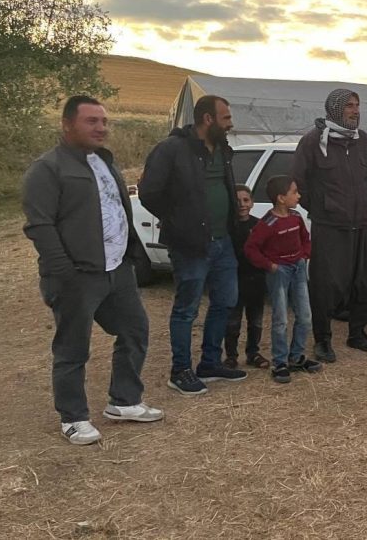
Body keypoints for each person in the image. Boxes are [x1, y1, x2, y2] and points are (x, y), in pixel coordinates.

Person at [23, 95, 164, 445]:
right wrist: (65, 273)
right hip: (77, 276)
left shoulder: (104, 162)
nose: (101, 128)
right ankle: (73, 418)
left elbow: (117, 209)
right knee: (73, 348)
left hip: (117, 270)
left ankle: (124, 401)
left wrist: (130, 254)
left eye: (104, 121)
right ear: (67, 124)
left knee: (135, 330)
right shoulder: (47, 169)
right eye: (91, 121)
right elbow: (40, 226)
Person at [139, 94, 246, 395]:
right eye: (226, 118)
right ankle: (180, 371)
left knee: (225, 301)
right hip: (189, 245)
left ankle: (210, 363)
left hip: (223, 241)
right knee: (186, 309)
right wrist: (178, 220)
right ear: (208, 119)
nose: (231, 124)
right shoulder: (172, 149)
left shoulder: (223, 149)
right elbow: (149, 192)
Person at [292, 88, 367, 362]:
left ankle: (357, 333)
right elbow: (299, 181)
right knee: (326, 285)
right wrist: (323, 208)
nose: (355, 111)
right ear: (335, 109)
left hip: (361, 222)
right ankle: (323, 340)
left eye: (357, 105)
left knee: (362, 282)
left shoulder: (362, 140)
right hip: (329, 225)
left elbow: (362, 177)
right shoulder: (313, 141)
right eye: (350, 106)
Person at [244, 175, 320, 383]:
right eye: (294, 192)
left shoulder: (296, 217)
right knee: (281, 319)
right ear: (281, 198)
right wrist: (269, 265)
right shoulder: (268, 223)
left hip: (298, 269)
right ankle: (280, 362)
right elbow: (251, 248)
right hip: (279, 273)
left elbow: (305, 238)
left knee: (305, 316)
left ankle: (296, 357)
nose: (298, 195)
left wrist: (304, 255)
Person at [224, 184, 268, 370]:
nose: (242, 204)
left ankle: (253, 353)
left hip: (256, 280)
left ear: (252, 202)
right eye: (237, 201)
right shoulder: (227, 227)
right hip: (234, 280)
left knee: (255, 320)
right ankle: (231, 356)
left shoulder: (259, 226)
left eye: (246, 200)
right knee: (233, 321)